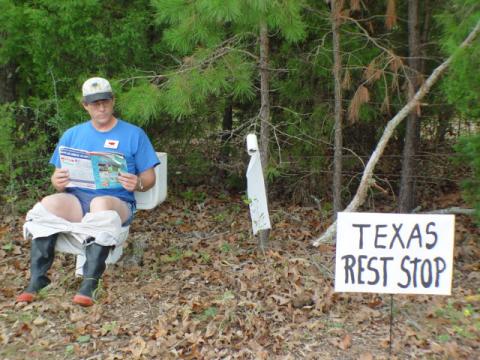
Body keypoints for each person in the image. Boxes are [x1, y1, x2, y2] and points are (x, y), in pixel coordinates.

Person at [16, 77, 159, 307]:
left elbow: (150, 178)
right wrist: (57, 180)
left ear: (113, 101)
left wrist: (138, 183)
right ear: (85, 106)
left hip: (117, 201)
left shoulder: (134, 134)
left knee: (100, 204)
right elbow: (57, 179)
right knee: (47, 204)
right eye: (94, 103)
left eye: (105, 101)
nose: (100, 107)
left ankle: (89, 282)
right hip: (78, 198)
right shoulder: (72, 134)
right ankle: (38, 279)